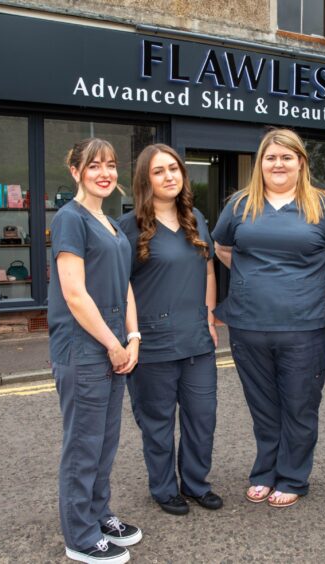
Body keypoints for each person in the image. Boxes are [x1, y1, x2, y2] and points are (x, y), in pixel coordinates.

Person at [212, 128, 325, 508]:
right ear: (260, 163)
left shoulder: (322, 206)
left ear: (301, 162)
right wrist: (252, 279)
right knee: (262, 406)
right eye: (271, 157)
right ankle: (264, 471)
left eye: (287, 157)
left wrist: (303, 281)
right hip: (248, 325)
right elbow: (223, 248)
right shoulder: (240, 205)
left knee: (299, 404)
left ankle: (292, 476)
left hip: (305, 326)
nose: (278, 164)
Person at [48, 138, 143, 564]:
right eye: (93, 166)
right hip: (84, 350)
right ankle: (80, 536)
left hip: (113, 348)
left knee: (104, 442)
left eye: (109, 165)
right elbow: (74, 293)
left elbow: (123, 284)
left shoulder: (111, 223)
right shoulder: (71, 219)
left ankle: (98, 513)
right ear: (75, 172)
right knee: (83, 444)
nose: (104, 173)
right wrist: (112, 344)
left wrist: (134, 336)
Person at [118, 144, 222, 516]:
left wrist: (209, 317)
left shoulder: (195, 217)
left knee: (202, 417)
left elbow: (208, 269)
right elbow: (120, 286)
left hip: (197, 340)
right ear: (146, 179)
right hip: (152, 344)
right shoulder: (127, 227)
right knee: (158, 424)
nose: (170, 176)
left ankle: (195, 483)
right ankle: (164, 489)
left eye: (175, 168)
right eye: (159, 171)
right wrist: (130, 336)